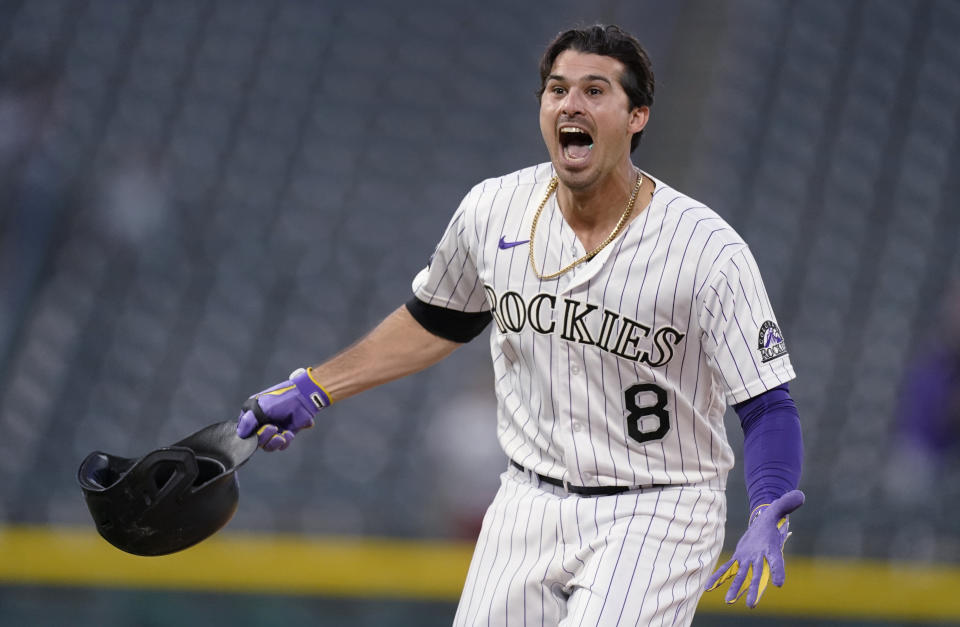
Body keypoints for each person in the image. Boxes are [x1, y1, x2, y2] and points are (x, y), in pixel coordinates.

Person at [237, 24, 804, 626]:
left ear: (637, 115)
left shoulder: (707, 250)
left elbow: (767, 405)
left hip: (658, 509)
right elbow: (434, 322)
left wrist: (769, 502)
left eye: (594, 90)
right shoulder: (493, 210)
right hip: (527, 500)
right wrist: (315, 386)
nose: (571, 104)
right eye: (557, 90)